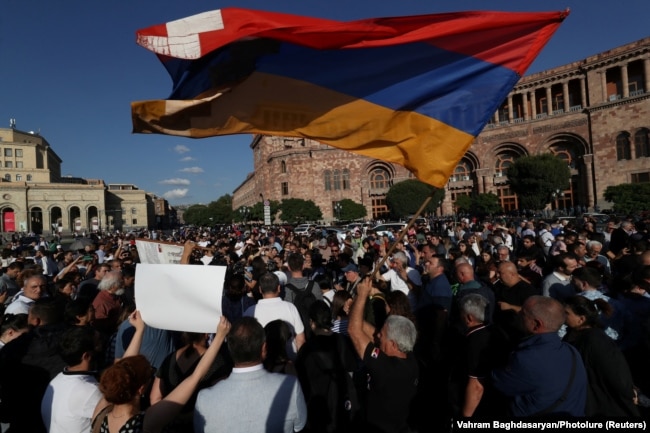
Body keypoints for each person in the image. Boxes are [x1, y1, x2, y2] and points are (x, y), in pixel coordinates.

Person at [92, 312, 230, 433]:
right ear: (141, 389)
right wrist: (219, 338)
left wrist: (140, 330)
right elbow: (195, 377)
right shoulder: (147, 423)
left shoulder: (100, 413)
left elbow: (122, 369)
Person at [193, 317, 307, 433]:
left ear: (230, 350)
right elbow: (299, 426)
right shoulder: (291, 386)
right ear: (264, 349)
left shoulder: (205, 399)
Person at [492, 296, 587, 417]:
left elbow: (498, 382)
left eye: (523, 313)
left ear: (536, 324)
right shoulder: (572, 351)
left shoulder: (526, 359)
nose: (518, 313)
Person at [348, 276, 419, 433]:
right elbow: (368, 330)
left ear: (393, 344)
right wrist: (353, 314)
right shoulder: (409, 356)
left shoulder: (385, 367)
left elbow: (354, 330)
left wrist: (361, 296)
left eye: (382, 335)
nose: (377, 336)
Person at [563, 296, 639, 417]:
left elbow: (615, 373)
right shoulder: (573, 336)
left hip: (605, 407)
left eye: (566, 313)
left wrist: (630, 393)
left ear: (581, 319)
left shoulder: (595, 341)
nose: (562, 315)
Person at [296, 300, 359, 433]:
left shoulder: (306, 350)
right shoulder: (343, 341)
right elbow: (352, 370)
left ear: (312, 322)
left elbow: (302, 384)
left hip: (318, 413)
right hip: (342, 408)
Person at [40, 326, 103, 433]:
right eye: (98, 343)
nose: (101, 345)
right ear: (86, 356)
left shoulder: (56, 380)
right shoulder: (89, 390)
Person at [244, 271, 306, 358]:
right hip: (289, 360)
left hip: (261, 362)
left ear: (260, 289)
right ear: (279, 288)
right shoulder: (290, 307)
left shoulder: (250, 311)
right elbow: (300, 339)